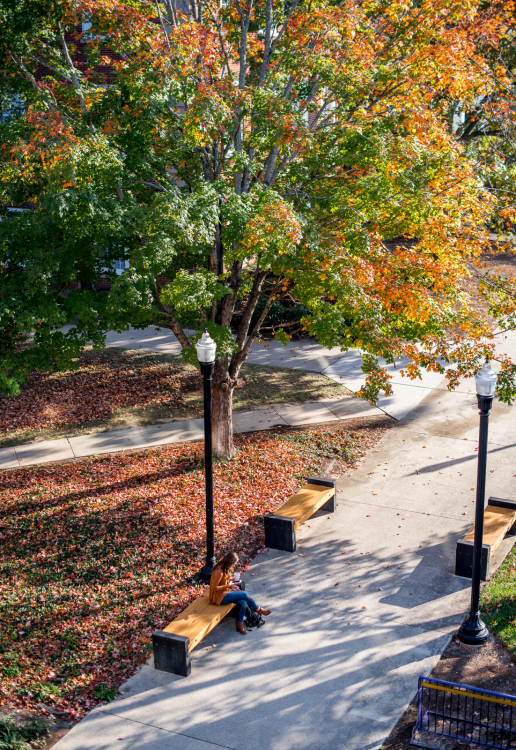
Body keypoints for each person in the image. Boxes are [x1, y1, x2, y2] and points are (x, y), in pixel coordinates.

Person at [209, 551, 271, 635]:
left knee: (243, 602)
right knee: (244, 594)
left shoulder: (225, 568)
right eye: (234, 563)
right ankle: (258, 609)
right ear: (230, 562)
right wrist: (228, 585)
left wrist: (232, 586)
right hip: (218, 597)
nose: (234, 565)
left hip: (225, 593)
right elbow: (213, 588)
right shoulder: (219, 571)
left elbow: (225, 583)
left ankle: (240, 624)